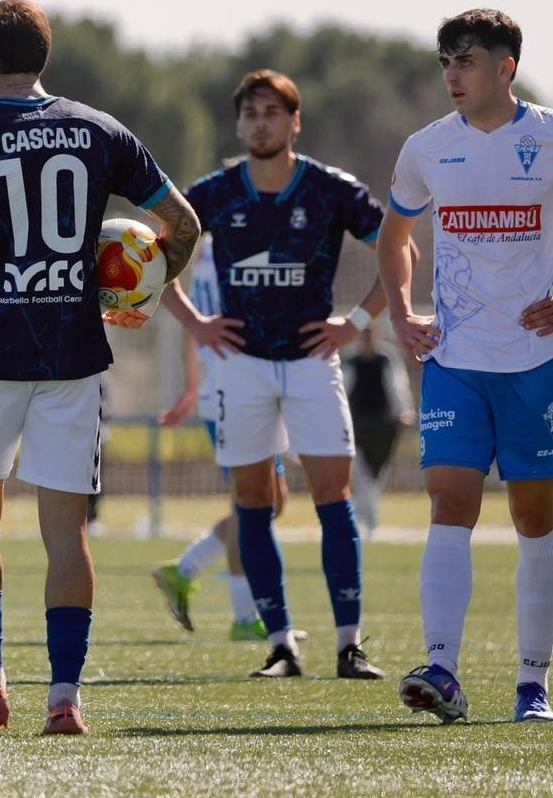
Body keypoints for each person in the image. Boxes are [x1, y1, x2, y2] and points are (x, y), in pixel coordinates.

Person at [0, 0, 199, 736]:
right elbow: (183, 224)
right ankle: (64, 699)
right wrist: (146, 293)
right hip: (72, 355)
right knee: (67, 528)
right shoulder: (100, 129)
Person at [381, 9, 553, 724]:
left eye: (467, 61)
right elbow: (395, 234)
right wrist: (401, 313)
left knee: (535, 516)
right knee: (450, 502)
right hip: (454, 361)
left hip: (535, 364)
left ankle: (532, 686)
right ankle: (442, 671)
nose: (452, 75)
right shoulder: (426, 148)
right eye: (446, 62)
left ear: (506, 67)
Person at [158, 69, 392, 682]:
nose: (260, 123)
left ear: (295, 122)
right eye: (250, 114)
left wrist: (357, 322)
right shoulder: (212, 194)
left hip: (313, 363)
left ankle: (349, 646)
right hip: (242, 368)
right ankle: (282, 646)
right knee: (254, 504)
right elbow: (155, 255)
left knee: (333, 499)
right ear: (239, 125)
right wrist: (195, 324)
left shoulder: (331, 190)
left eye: (272, 113)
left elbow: (399, 247)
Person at [154, 233, 292, 641]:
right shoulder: (240, 246)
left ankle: (184, 570)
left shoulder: (209, 251)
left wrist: (192, 388)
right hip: (237, 388)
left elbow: (194, 326)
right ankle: (245, 615)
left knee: (271, 501)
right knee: (252, 503)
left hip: (227, 387)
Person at [343, 323, 413, 538]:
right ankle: (369, 518)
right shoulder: (350, 360)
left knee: (378, 472)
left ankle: (365, 513)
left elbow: (398, 386)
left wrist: (405, 411)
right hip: (356, 422)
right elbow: (342, 389)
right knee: (360, 471)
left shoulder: (387, 358)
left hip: (383, 423)